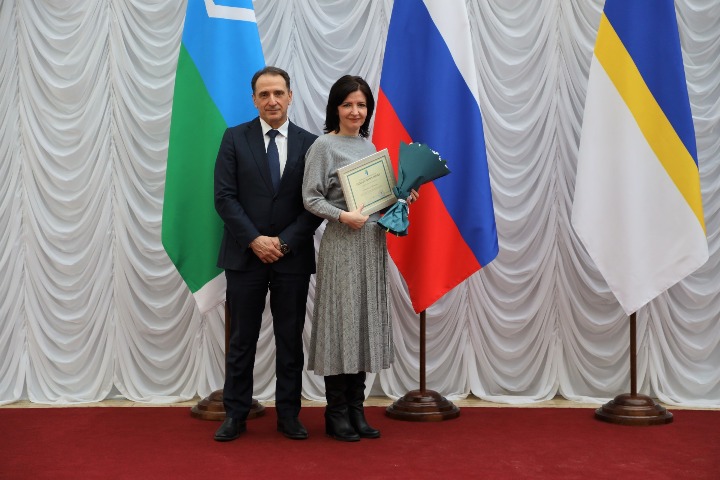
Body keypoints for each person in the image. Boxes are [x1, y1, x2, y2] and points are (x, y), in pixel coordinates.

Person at [302, 75, 418, 442]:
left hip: (371, 244)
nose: (355, 111)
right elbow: (310, 197)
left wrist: (401, 197)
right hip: (342, 244)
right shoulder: (323, 146)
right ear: (335, 108)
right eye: (348, 104)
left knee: (364, 323)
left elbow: (376, 202)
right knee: (342, 324)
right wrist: (341, 216)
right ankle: (336, 412)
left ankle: (357, 408)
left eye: (362, 105)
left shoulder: (370, 148)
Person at [213, 66, 322, 442]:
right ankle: (235, 414)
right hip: (245, 256)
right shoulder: (234, 138)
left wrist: (284, 242)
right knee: (242, 339)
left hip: (292, 258)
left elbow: (315, 203)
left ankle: (289, 415)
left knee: (290, 340)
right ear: (254, 100)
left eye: (278, 93)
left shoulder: (311, 144)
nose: (272, 100)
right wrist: (255, 240)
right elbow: (224, 197)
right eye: (264, 94)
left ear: (290, 96)